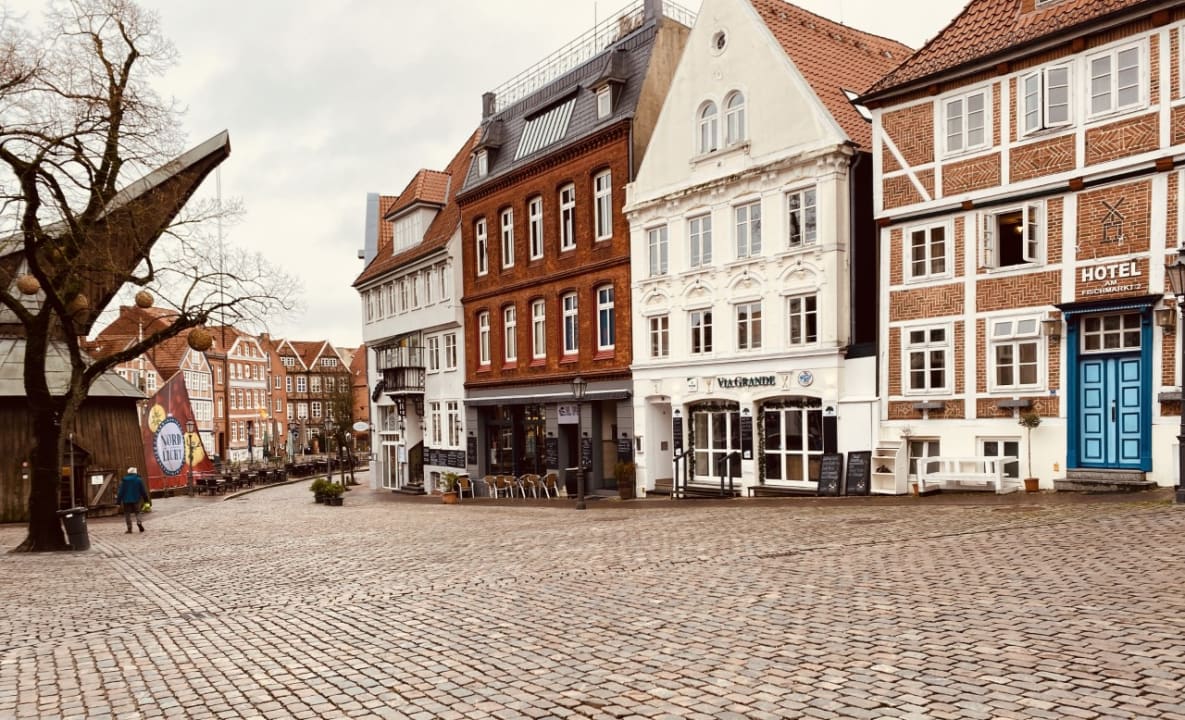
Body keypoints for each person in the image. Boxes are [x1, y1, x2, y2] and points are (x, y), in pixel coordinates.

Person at [117, 466, 149, 534]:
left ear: (128, 472)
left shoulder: (124, 480)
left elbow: (121, 492)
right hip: (136, 499)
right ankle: (139, 522)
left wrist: (118, 502)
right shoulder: (138, 480)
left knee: (127, 514)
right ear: (135, 472)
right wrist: (146, 500)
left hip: (126, 500)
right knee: (138, 512)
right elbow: (143, 491)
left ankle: (129, 528)